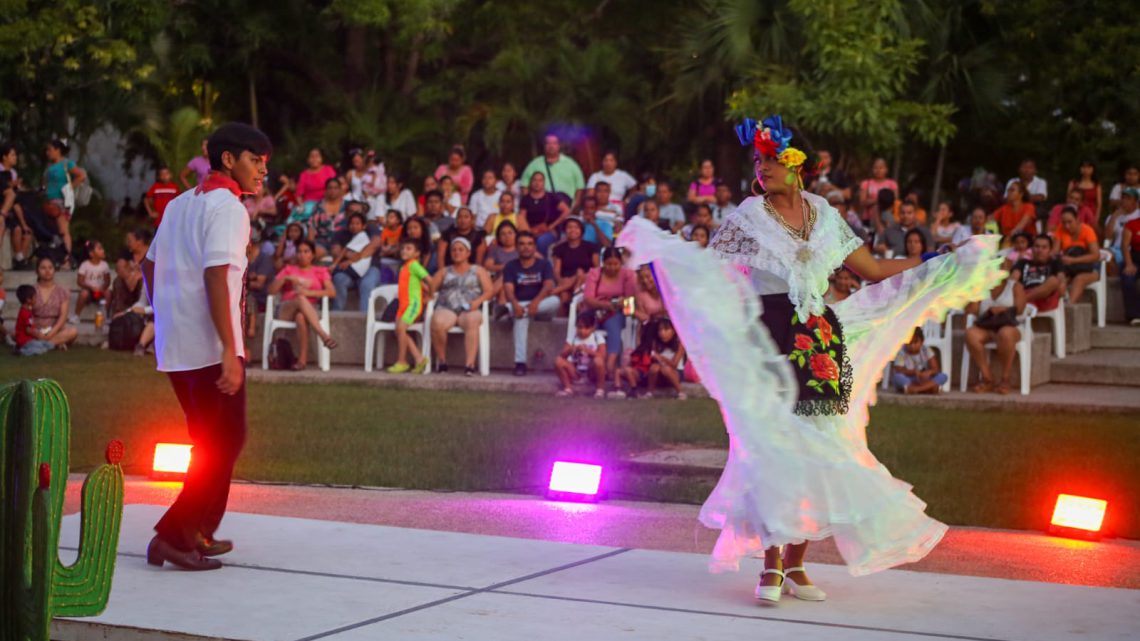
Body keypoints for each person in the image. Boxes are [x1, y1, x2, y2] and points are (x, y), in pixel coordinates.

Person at [618, 114, 1004, 601]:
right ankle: (771, 566)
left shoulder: (824, 213)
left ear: (796, 165)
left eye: (772, 160)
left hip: (820, 341)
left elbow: (873, 268)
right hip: (771, 339)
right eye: (758, 162)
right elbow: (711, 272)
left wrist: (935, 262)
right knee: (776, 449)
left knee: (820, 449)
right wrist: (665, 255)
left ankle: (798, 567)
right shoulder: (747, 217)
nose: (763, 169)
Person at [141, 123, 273, 571]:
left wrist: (167, 313)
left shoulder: (179, 204)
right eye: (255, 161)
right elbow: (217, 276)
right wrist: (228, 349)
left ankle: (198, 529)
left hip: (177, 345)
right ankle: (175, 534)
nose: (262, 172)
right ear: (228, 160)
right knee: (224, 441)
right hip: (209, 347)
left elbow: (148, 263)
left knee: (210, 440)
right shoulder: (229, 208)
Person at [268, 239, 338, 368]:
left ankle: (302, 361)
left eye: (306, 251)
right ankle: (323, 335)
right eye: (299, 252)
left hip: (309, 310)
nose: (302, 255)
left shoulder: (320, 271)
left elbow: (332, 292)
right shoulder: (289, 269)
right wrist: (286, 278)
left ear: (312, 254)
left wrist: (307, 293)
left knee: (301, 317)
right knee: (299, 298)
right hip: (286, 309)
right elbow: (271, 291)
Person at [428, 237, 493, 375]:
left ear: (468, 253)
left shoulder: (478, 270)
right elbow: (431, 289)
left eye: (460, 250)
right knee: (437, 321)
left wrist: (477, 302)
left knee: (472, 320)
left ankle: (470, 364)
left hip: (470, 307)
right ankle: (442, 361)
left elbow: (489, 291)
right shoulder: (444, 271)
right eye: (454, 250)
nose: (457, 252)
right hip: (447, 307)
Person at [503, 231, 558, 376]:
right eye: (521, 244)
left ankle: (508, 310)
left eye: (529, 244)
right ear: (516, 247)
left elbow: (548, 286)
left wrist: (535, 303)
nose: (526, 247)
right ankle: (520, 363)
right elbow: (508, 289)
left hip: (542, 308)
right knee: (520, 318)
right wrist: (514, 304)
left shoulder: (544, 264)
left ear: (534, 247)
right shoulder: (511, 266)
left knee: (555, 301)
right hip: (520, 306)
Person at [582, 246, 637, 389]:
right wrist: (605, 305)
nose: (612, 268)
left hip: (618, 311)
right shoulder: (594, 273)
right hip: (596, 309)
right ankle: (588, 365)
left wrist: (620, 303)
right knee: (586, 324)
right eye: (609, 264)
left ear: (620, 263)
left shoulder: (628, 275)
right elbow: (588, 299)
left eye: (615, 264)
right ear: (603, 263)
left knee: (613, 324)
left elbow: (630, 299)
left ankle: (610, 363)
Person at [964, 273, 1026, 395]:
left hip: (1010, 325)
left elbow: (1020, 309)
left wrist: (1004, 309)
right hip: (987, 326)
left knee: (1005, 334)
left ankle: (1005, 379)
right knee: (971, 334)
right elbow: (973, 311)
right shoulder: (982, 287)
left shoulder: (1015, 286)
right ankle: (987, 378)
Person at [386, 239, 432, 374]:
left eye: (408, 248)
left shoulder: (414, 265)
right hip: (403, 305)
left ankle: (402, 362)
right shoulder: (405, 267)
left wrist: (430, 296)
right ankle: (419, 358)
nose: (404, 251)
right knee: (400, 331)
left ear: (417, 253)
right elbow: (420, 284)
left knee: (400, 329)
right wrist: (426, 290)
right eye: (403, 248)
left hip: (413, 305)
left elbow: (430, 280)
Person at [42, 139, 87, 263]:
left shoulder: (67, 163)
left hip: (62, 201)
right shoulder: (50, 167)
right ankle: (57, 255)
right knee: (53, 230)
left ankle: (67, 258)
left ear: (58, 150)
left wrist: (70, 188)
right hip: (49, 201)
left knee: (63, 230)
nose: (48, 153)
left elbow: (81, 175)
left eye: (50, 150)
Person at [330, 212, 383, 311]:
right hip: (350, 271)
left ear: (364, 225)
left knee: (366, 284)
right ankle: (336, 313)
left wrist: (350, 259)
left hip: (370, 268)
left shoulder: (367, 232)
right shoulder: (341, 233)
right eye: (352, 223)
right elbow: (336, 251)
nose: (354, 226)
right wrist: (341, 260)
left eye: (357, 223)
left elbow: (373, 245)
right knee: (338, 278)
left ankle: (364, 318)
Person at [1053, 206, 1101, 305]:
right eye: (1064, 222)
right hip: (1069, 268)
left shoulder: (1088, 230)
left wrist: (1074, 260)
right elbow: (1055, 252)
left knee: (1079, 279)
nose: (1066, 226)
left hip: (1089, 268)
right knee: (1059, 278)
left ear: (1078, 219)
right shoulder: (1060, 230)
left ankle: (1069, 305)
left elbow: (1096, 255)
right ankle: (1057, 305)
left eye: (1070, 222)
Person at [554, 311, 607, 398]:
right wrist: (571, 349)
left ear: (593, 328)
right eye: (580, 327)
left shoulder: (598, 338)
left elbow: (603, 357)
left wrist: (588, 351)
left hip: (591, 372)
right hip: (576, 371)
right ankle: (568, 388)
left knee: (598, 361)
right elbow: (562, 355)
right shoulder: (572, 337)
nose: (582, 331)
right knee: (558, 361)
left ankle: (600, 390)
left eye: (586, 328)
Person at [31, 255, 79, 349]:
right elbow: (27, 315)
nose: (47, 271)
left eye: (50, 267)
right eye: (43, 268)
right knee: (17, 332)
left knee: (73, 332)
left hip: (55, 329)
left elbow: (63, 317)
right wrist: (37, 333)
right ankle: (54, 343)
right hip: (35, 329)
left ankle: (42, 345)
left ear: (54, 270)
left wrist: (51, 333)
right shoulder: (31, 291)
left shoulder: (62, 291)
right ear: (37, 271)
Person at [521, 133, 585, 202]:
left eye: (554, 143)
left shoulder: (571, 164)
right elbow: (524, 185)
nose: (551, 146)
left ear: (559, 145)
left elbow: (580, 187)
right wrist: (530, 204)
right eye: (548, 143)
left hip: (567, 208)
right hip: (542, 209)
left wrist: (574, 207)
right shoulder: (534, 165)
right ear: (544, 146)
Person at [518, 171, 569, 257]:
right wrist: (529, 231)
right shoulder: (525, 199)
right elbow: (522, 218)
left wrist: (552, 226)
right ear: (531, 182)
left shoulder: (551, 197)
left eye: (540, 180)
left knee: (541, 241)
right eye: (534, 180)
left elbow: (566, 211)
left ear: (544, 183)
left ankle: (543, 265)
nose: (537, 183)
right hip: (530, 230)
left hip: (548, 231)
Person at [550, 218, 599, 306]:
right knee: (564, 296)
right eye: (569, 227)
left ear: (581, 230)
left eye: (576, 227)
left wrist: (583, 276)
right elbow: (556, 271)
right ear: (565, 231)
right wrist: (560, 280)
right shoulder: (559, 249)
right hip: (566, 280)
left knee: (580, 274)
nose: (573, 230)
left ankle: (560, 289)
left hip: (587, 279)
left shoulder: (591, 247)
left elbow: (597, 268)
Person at [1011, 235, 1065, 312]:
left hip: (1045, 298)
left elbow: (1061, 280)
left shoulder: (1055, 263)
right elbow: (1013, 279)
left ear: (1050, 250)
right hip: (1025, 294)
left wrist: (1062, 285)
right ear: (1032, 249)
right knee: (1013, 283)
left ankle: (1021, 301)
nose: (1040, 250)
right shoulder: (1023, 263)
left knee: (1054, 280)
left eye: (1044, 247)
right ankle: (1021, 301)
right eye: (1037, 246)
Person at [891, 327, 947, 394]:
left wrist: (928, 373)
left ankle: (915, 389)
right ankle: (929, 389)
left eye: (915, 342)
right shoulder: (902, 352)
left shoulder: (926, 350)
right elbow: (899, 370)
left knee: (943, 376)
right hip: (909, 379)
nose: (912, 346)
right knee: (897, 378)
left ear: (921, 342)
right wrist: (914, 372)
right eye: (910, 343)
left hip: (924, 379)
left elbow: (935, 369)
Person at [644, 317, 687, 400]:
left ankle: (681, 392)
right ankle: (649, 393)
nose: (662, 333)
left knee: (666, 369)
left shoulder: (680, 344)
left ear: (674, 331)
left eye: (666, 329)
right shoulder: (656, 343)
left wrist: (661, 358)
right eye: (660, 330)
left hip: (676, 373)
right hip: (660, 374)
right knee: (654, 367)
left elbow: (674, 364)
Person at [244, 235, 277, 339]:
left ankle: (252, 328)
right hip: (246, 292)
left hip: (262, 296)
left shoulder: (264, 258)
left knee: (249, 297)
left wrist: (246, 282)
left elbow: (259, 284)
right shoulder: (242, 258)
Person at [308, 178, 347, 259]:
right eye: (330, 188)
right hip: (322, 241)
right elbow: (312, 227)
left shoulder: (347, 206)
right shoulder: (319, 206)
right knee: (313, 253)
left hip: (340, 242)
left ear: (340, 190)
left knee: (338, 253)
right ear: (326, 190)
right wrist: (309, 246)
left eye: (336, 188)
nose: (333, 190)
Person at [74, 240, 111, 324]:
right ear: (91, 253)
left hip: (101, 291)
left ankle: (107, 316)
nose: (103, 251)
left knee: (108, 293)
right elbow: (79, 281)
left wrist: (102, 288)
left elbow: (107, 281)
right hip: (89, 292)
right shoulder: (85, 264)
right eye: (100, 249)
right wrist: (90, 287)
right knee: (83, 293)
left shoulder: (104, 265)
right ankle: (76, 315)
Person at [484, 220, 519, 308]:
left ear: (516, 234)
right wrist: (504, 267)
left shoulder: (521, 248)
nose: (507, 236)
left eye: (510, 233)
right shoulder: (496, 250)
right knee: (505, 279)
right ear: (498, 237)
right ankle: (502, 307)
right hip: (500, 282)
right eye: (503, 234)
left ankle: (485, 300)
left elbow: (538, 259)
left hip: (520, 279)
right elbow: (488, 265)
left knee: (506, 276)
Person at [858, 157, 898, 232]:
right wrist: (879, 200)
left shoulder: (892, 184)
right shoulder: (866, 183)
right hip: (868, 218)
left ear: (886, 169)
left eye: (881, 168)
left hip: (887, 218)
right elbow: (862, 202)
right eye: (875, 168)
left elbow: (894, 201)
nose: (878, 170)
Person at [14, 284, 55, 356]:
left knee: (50, 345)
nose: (36, 299)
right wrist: (38, 334)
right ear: (28, 300)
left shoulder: (28, 310)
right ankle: (21, 351)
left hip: (31, 340)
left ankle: (25, 348)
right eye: (35, 297)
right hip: (25, 341)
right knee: (42, 349)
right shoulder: (24, 313)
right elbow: (28, 330)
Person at [1104, 187, 1140, 266]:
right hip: (1116, 249)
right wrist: (1114, 217)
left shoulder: (1138, 215)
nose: (1124, 201)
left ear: (1135, 202)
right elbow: (1107, 238)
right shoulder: (1113, 216)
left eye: (1128, 198)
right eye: (1123, 198)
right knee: (1103, 254)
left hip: (1132, 250)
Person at [1119, 213, 1140, 326]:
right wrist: (1129, 264)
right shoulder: (1132, 224)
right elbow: (1124, 245)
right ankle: (1135, 315)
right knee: (1128, 278)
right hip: (1134, 260)